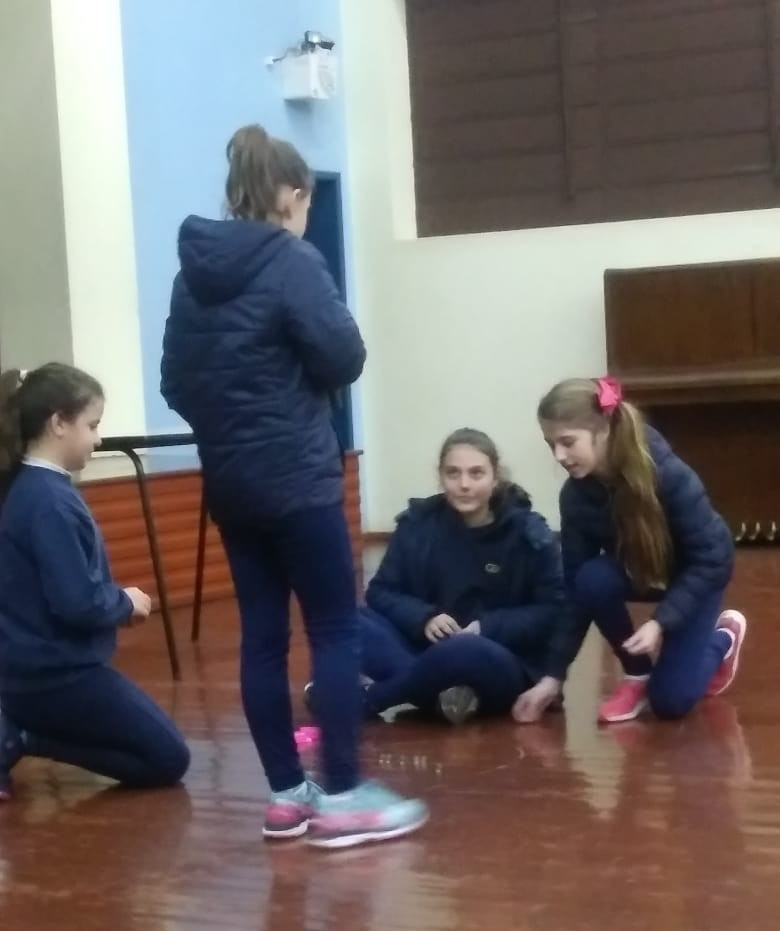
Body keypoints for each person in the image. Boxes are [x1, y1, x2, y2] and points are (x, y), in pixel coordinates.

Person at [161, 124, 427, 848]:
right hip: (300, 480)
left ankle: (285, 795)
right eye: (306, 200)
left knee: (262, 637)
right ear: (290, 194)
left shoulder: (191, 277)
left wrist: (232, 424)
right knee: (334, 628)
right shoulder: (293, 260)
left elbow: (175, 382)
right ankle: (342, 796)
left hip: (232, 485)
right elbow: (343, 357)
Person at [0, 363, 190, 798]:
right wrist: (125, 603)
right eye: (92, 425)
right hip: (57, 677)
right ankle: (21, 736)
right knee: (168, 758)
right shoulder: (49, 501)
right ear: (58, 424)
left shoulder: (27, 489)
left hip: (29, 673)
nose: (98, 439)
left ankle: (22, 730)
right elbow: (76, 603)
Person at [514, 377, 746, 726]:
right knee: (591, 580)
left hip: (697, 574)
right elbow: (576, 592)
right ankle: (637, 674)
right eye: (551, 444)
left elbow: (713, 557)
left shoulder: (668, 474)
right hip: (642, 569)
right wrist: (553, 676)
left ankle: (723, 638)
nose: (559, 456)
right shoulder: (576, 497)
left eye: (568, 442)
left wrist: (661, 622)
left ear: (603, 429)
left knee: (670, 703)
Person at [355, 428, 563, 723]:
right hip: (423, 650)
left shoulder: (529, 534)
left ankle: (373, 698)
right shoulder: (417, 525)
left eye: (476, 474)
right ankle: (444, 697)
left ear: (495, 477)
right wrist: (424, 618)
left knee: (464, 649)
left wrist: (486, 627)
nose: (464, 484)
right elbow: (380, 591)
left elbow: (552, 610)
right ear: (441, 477)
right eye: (453, 473)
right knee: (347, 619)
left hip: (498, 659)